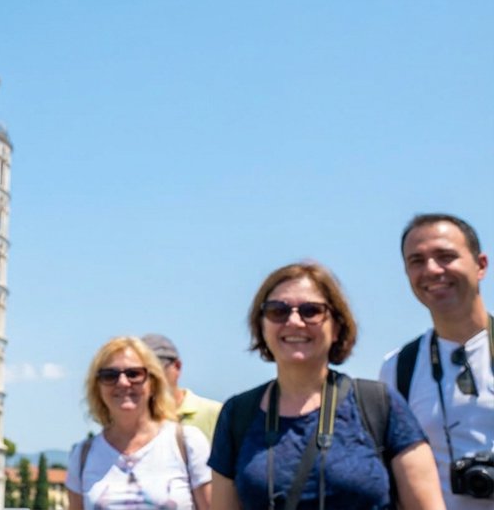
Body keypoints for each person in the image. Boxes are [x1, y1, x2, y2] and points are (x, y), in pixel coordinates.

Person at [209, 262, 444, 510]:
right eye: (278, 311)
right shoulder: (238, 414)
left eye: (311, 311)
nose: (294, 321)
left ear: (337, 328)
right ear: (261, 326)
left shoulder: (378, 404)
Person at [379, 214, 493, 508]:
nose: (431, 270)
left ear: (481, 265)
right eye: (417, 261)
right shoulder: (398, 369)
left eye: (445, 256)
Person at [66, 336, 213, 509]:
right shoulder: (82, 456)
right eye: (110, 375)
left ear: (153, 383)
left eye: (134, 374)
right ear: (97, 388)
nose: (123, 382)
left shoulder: (188, 443)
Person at [142, 333, 223, 442]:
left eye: (156, 370)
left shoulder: (215, 413)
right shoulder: (133, 418)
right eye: (137, 373)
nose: (150, 378)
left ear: (177, 367)